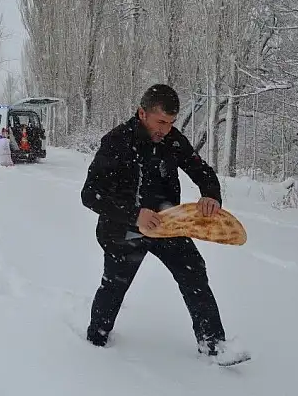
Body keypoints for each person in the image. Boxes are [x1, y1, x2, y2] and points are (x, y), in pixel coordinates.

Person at [80, 84, 231, 358]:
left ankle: (214, 345)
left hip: (166, 224)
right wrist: (134, 215)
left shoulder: (173, 140)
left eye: (171, 123)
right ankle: (96, 343)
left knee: (193, 271)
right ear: (142, 113)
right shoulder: (116, 142)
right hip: (123, 229)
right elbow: (90, 195)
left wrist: (211, 195)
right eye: (160, 121)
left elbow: (202, 170)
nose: (165, 129)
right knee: (115, 285)